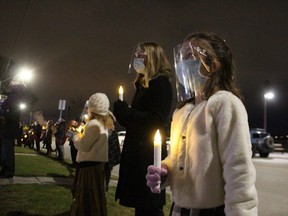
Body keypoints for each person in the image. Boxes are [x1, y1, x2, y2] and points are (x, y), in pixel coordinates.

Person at [146, 32, 258, 216]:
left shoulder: (225, 104)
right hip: (180, 208)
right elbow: (180, 159)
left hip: (213, 211)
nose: (183, 62)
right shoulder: (182, 111)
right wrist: (166, 170)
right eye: (181, 57)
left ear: (213, 64)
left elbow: (238, 169)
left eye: (190, 55)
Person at [113, 42, 173, 216]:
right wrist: (122, 113)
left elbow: (155, 119)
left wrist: (128, 112)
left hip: (147, 154)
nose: (136, 58)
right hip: (139, 154)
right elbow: (136, 121)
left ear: (152, 58)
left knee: (150, 206)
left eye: (141, 55)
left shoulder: (160, 84)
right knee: (142, 206)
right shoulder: (143, 85)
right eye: (136, 54)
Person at [69, 92, 115, 216]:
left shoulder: (94, 124)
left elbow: (83, 145)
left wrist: (75, 137)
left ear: (92, 109)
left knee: (87, 197)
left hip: (89, 167)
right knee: (95, 197)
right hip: (96, 166)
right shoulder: (103, 124)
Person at [0, 82, 26, 178]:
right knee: (5, 151)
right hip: (6, 129)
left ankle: (8, 171)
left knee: (8, 151)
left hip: (8, 129)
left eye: (12, 85)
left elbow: (13, 115)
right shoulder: (12, 98)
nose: (10, 85)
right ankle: (5, 169)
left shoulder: (14, 99)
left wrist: (3, 117)